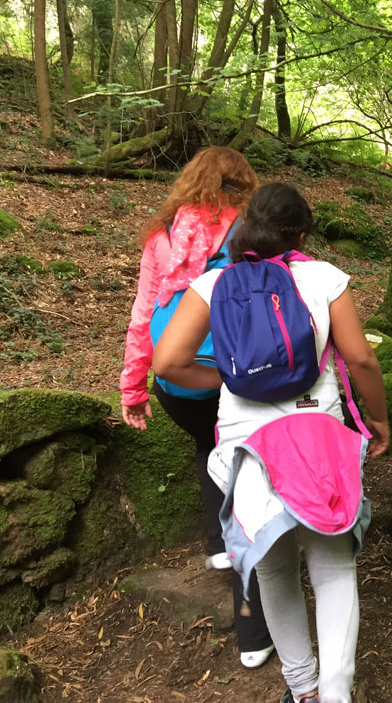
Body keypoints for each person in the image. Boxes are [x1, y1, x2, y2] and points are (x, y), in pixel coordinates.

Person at [151, 183, 389, 703]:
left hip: (247, 443)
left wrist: (227, 381)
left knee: (273, 567)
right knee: (332, 566)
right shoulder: (324, 277)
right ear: (300, 232)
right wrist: (379, 422)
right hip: (317, 435)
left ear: (242, 231)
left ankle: (301, 690)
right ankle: (335, 695)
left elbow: (167, 362)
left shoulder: (214, 285)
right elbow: (362, 359)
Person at [118, 146, 273, 669]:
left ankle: (214, 541)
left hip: (173, 380)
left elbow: (143, 314)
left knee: (212, 445)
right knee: (248, 479)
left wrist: (132, 388)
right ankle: (253, 632)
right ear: (240, 186)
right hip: (228, 375)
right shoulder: (250, 230)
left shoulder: (162, 235)